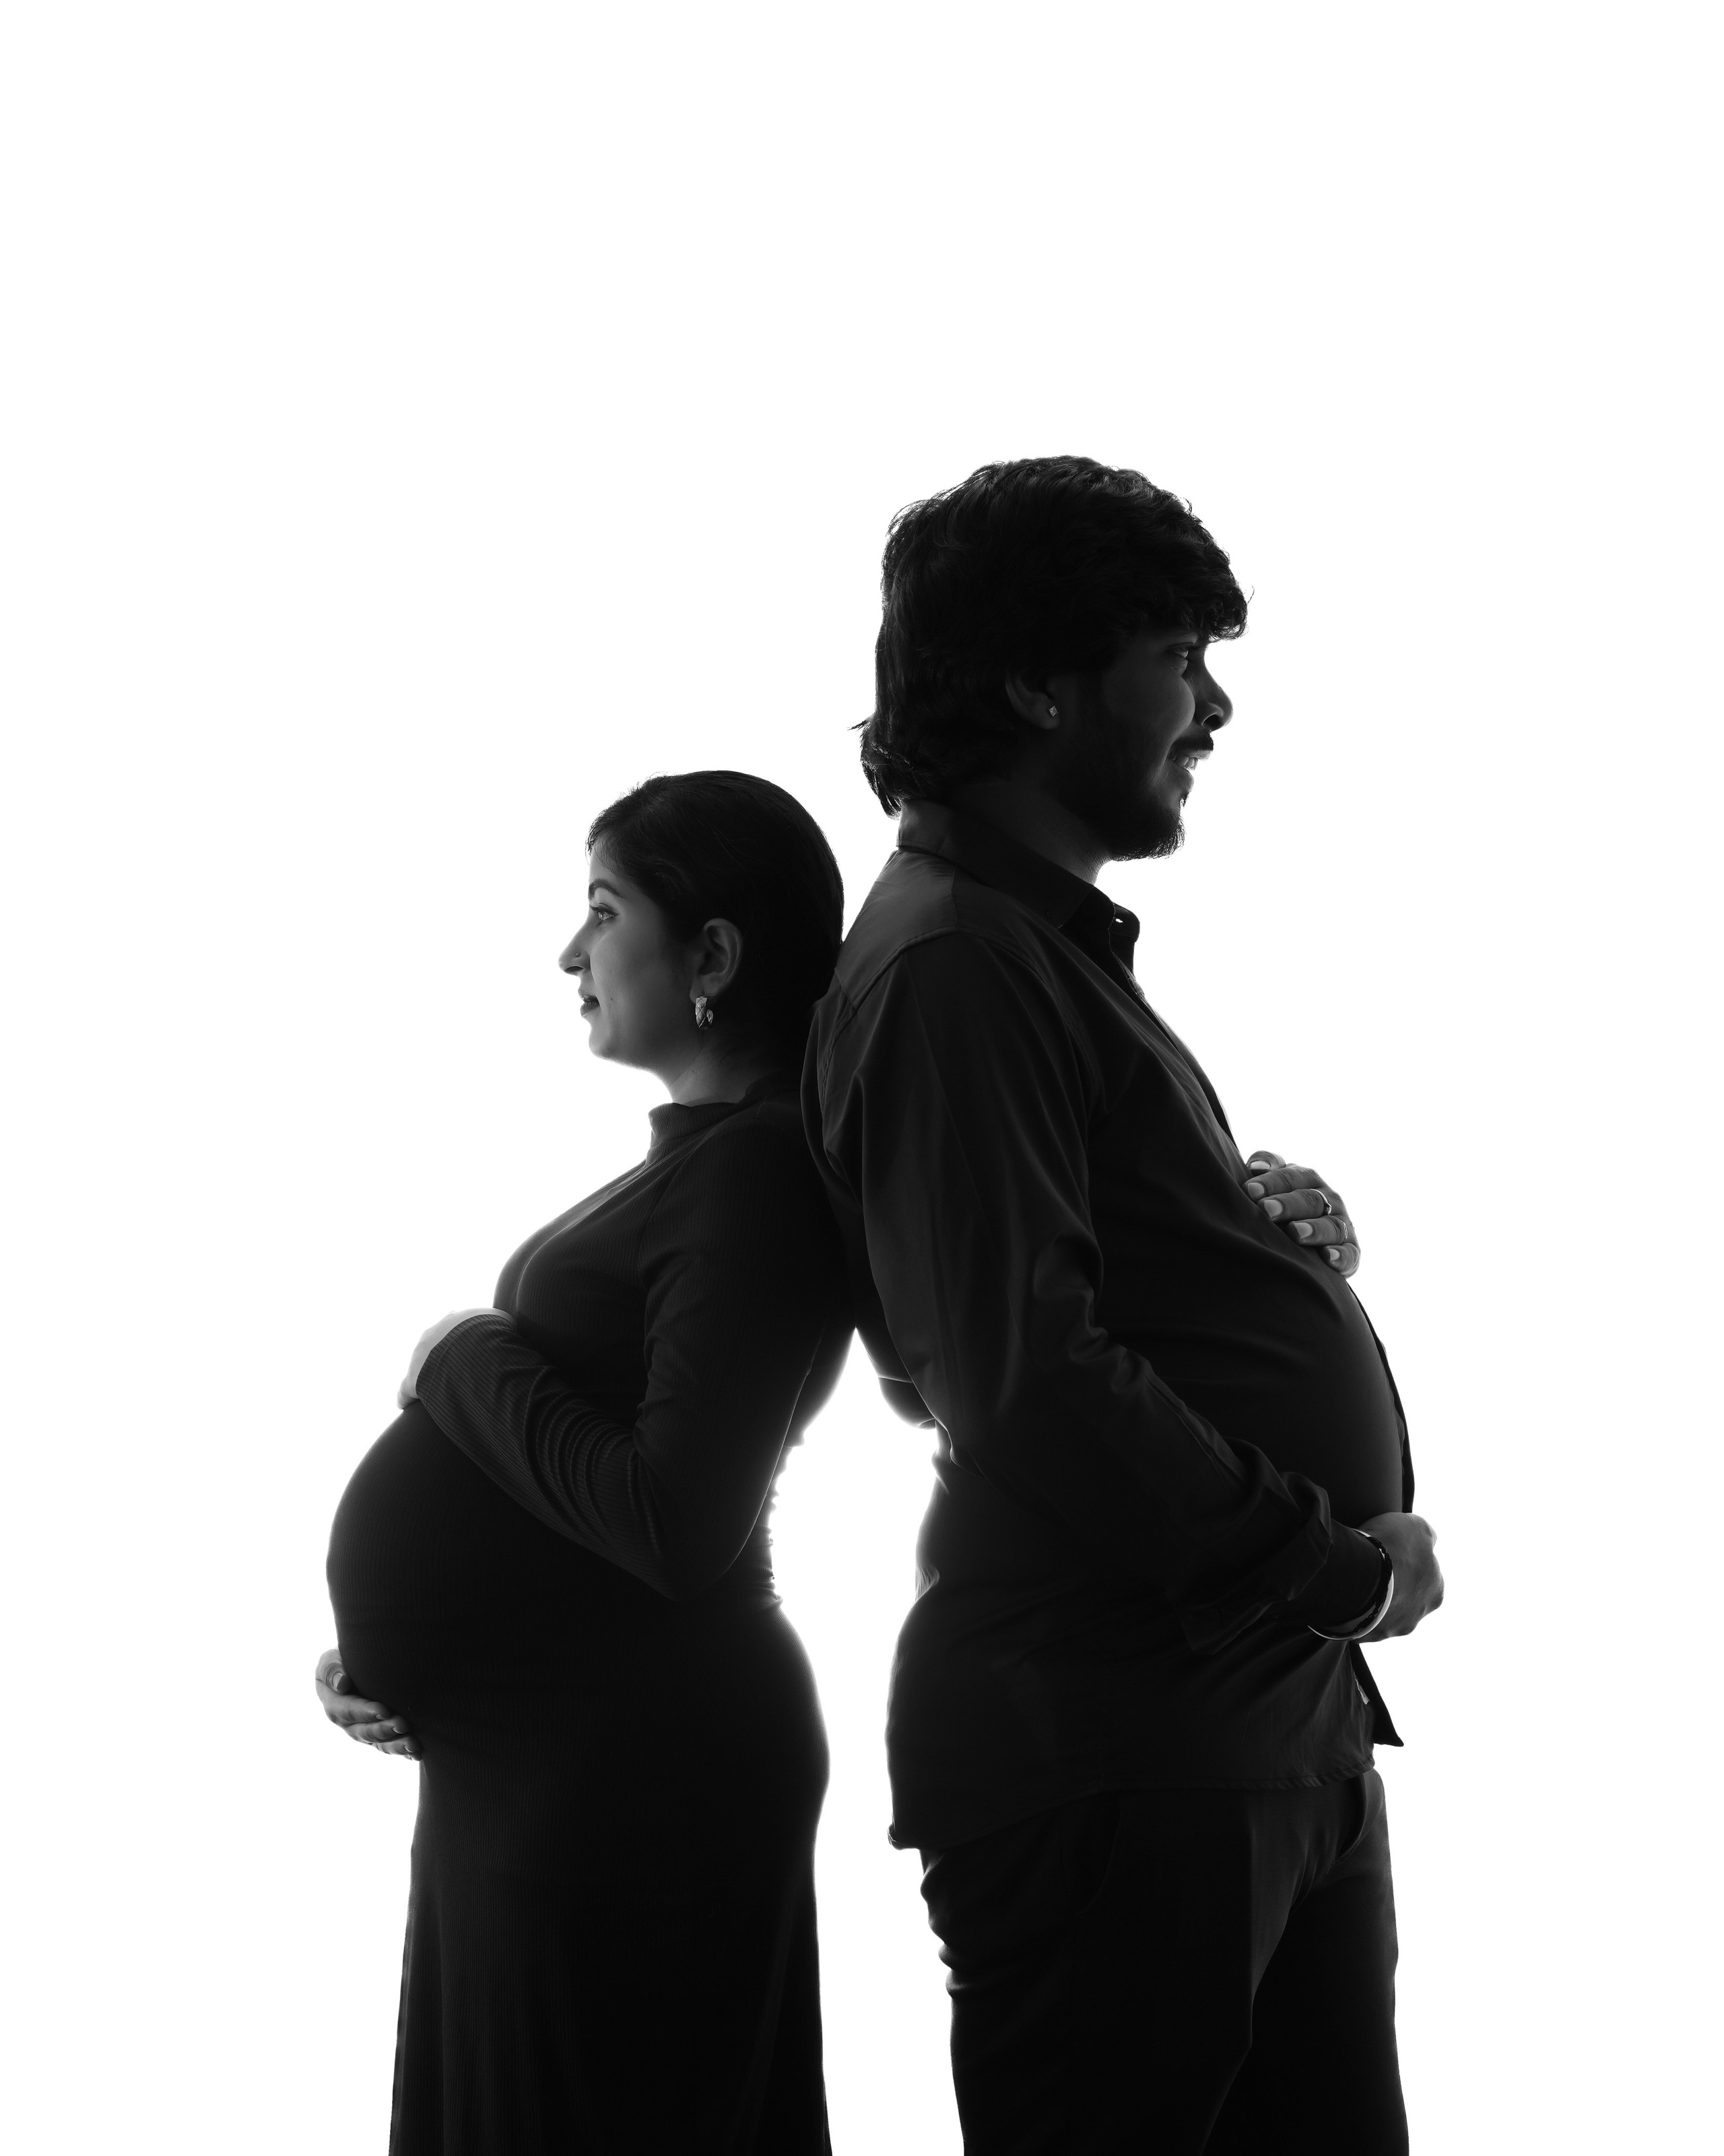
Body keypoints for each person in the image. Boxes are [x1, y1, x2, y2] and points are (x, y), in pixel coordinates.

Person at [803, 456, 1445, 2154]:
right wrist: (1337, 1564)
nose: (1213, 705)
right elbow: (1013, 1379)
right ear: (1036, 681)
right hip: (1124, 1751)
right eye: (1177, 655)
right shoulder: (952, 964)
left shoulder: (1030, 952)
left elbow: (1042, 1296)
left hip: (1248, 1727)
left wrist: (1251, 1251)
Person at [318, 771, 851, 2156]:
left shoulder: (754, 1174)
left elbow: (671, 1520)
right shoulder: (707, 1167)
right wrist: (392, 1657)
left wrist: (457, 1355)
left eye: (604, 911)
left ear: (715, 954)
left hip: (632, 1783)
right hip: (547, 1761)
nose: (571, 952)